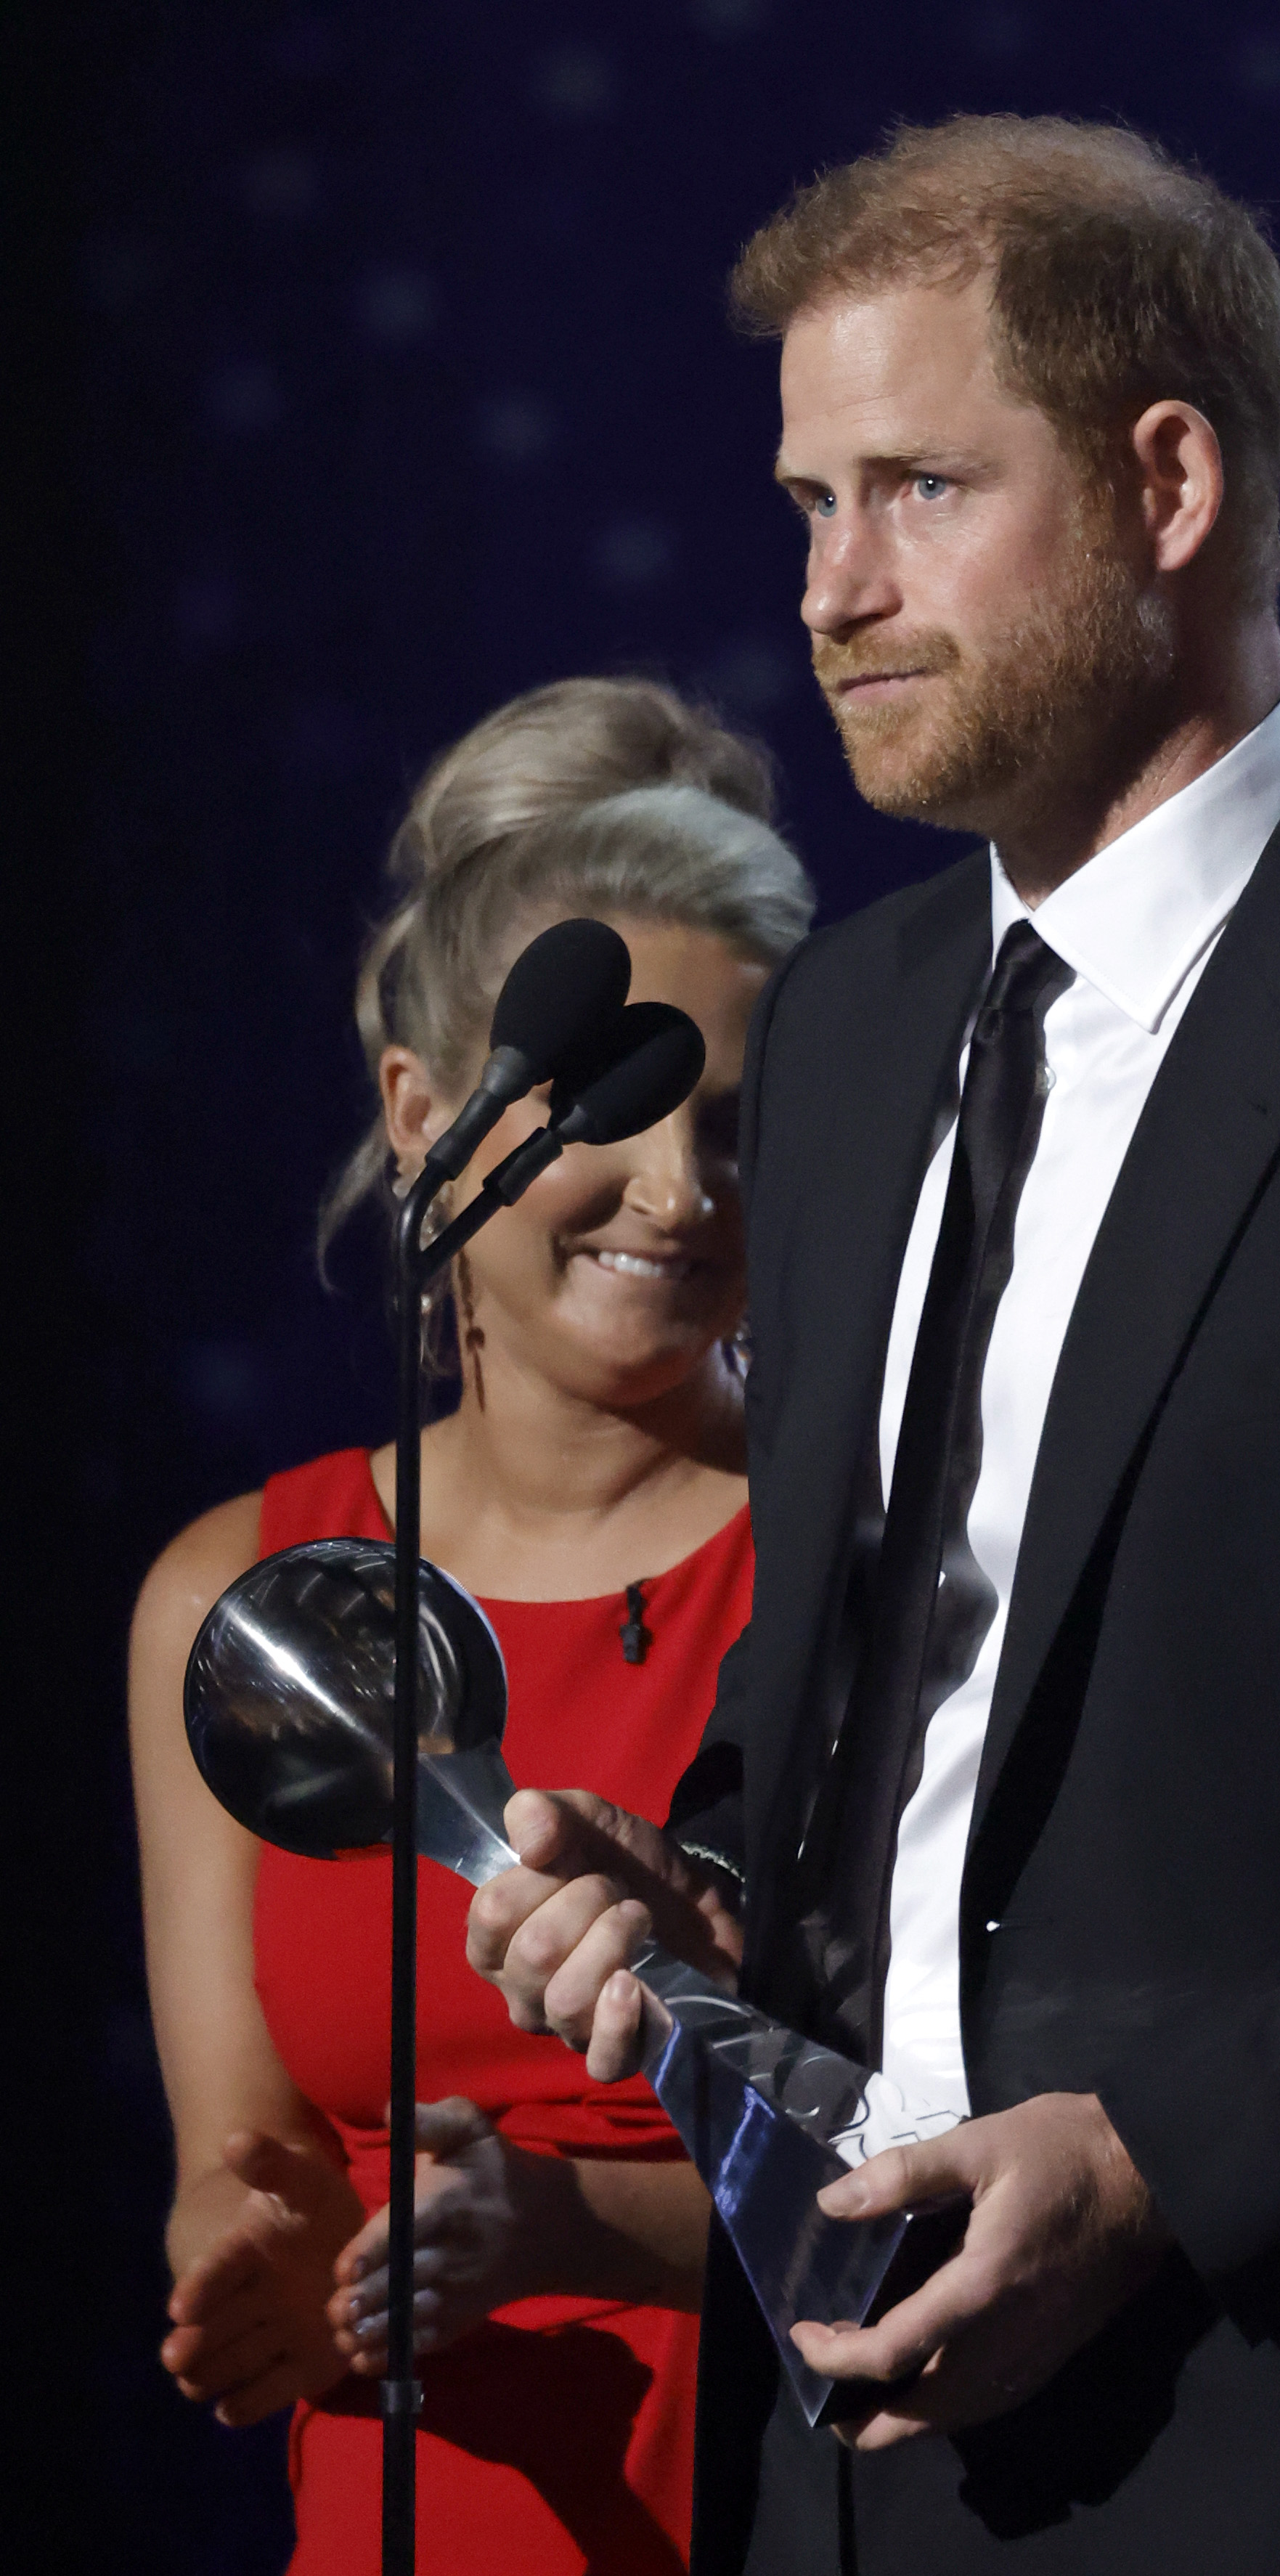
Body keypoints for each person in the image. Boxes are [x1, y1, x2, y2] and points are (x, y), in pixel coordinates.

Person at [468, 117, 1280, 2575]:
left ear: (1167, 479)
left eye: (910, 490)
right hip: (873, 2443)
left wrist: (1160, 2155)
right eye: (801, 507)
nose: (831, 592)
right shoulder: (861, 1027)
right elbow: (873, 1680)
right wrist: (700, 1898)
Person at [129, 676, 814, 2574]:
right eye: (617, 1107)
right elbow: (242, 2148)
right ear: (425, 1114)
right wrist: (242, 2248)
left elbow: (951, 2179)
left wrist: (581, 2228)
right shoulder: (242, 1589)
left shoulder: (876, 1558)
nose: (683, 1193)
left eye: (743, 1126)